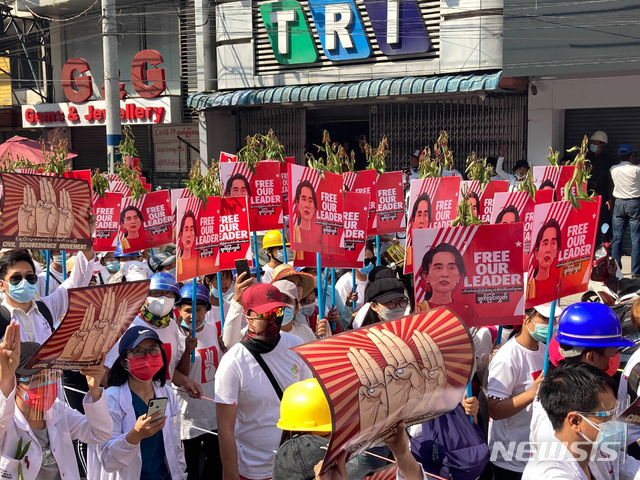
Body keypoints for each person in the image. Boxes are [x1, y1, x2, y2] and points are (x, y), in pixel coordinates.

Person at [529, 303, 638, 480]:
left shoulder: (593, 396)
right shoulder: (553, 416)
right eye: (611, 355)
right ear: (592, 357)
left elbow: (611, 458)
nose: (613, 362)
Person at [215, 283, 312, 480]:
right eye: (265, 313)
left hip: (296, 464)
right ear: (248, 315)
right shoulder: (232, 363)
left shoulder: (296, 346)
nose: (273, 318)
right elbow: (225, 429)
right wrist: (231, 476)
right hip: (254, 470)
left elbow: (308, 401)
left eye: (277, 311)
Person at [0, 324, 112, 480]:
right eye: (36, 380)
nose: (45, 386)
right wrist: (5, 378)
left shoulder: (59, 412)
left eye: (51, 377)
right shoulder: (7, 422)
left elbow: (101, 434)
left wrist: (94, 390)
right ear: (15, 383)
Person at [91, 326, 188, 480]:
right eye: (138, 351)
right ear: (124, 362)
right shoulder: (111, 400)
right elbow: (107, 460)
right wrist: (134, 437)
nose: (147, 356)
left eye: (153, 350)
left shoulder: (167, 394)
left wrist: (181, 475)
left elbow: (176, 446)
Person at [104, 272, 202, 398]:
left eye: (169, 294)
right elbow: (105, 371)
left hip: (165, 403)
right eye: (156, 293)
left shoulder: (172, 326)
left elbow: (169, 372)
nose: (163, 298)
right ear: (144, 297)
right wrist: (126, 400)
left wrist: (185, 381)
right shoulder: (127, 327)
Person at [522, 363, 620, 480]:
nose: (615, 419)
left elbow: (626, 466)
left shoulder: (591, 448)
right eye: (607, 414)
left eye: (615, 411)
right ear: (575, 421)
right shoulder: (551, 473)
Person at [487, 306, 552, 479]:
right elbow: (494, 409)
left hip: (535, 454)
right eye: (544, 318)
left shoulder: (544, 350)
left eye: (552, 318)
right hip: (510, 458)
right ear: (525, 318)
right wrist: (531, 394)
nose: (550, 323)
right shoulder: (507, 357)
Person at [175, 283, 223, 480]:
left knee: (215, 464)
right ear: (178, 310)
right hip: (189, 417)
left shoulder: (213, 330)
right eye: (188, 310)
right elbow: (178, 377)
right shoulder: (175, 335)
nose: (194, 315)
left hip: (213, 413)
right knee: (190, 468)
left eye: (199, 309)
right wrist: (187, 350)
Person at [0, 243, 96, 343]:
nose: (24, 282)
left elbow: (77, 281)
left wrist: (85, 237)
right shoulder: (2, 318)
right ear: (2, 284)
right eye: (16, 278)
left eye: (30, 277)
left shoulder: (46, 309)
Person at [415, 243, 475, 324]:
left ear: (459, 276)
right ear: (426, 276)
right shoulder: (419, 310)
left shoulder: (467, 310)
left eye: (451, 268)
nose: (445, 274)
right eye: (438, 268)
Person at [610, 144, 640, 277]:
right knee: (636, 237)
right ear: (632, 155)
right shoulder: (637, 169)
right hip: (634, 203)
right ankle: (635, 271)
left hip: (619, 203)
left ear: (619, 156)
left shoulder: (613, 169)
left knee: (616, 237)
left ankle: (617, 271)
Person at [587, 131, 616, 245]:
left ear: (602, 144)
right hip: (588, 195)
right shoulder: (587, 159)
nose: (593, 144)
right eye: (592, 142)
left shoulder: (608, 161)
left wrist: (610, 198)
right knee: (588, 221)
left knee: (604, 221)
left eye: (595, 142)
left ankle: (606, 244)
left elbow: (611, 182)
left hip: (602, 194)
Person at [526, 219, 561, 301]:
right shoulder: (528, 288)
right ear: (536, 252)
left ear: (557, 251)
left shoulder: (559, 284)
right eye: (545, 243)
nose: (548, 249)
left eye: (553, 243)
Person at [334, 244, 374, 312]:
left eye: (373, 260)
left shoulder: (372, 276)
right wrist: (364, 312)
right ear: (355, 261)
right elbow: (342, 316)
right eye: (366, 261)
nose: (370, 263)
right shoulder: (344, 283)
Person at [292, 180, 322, 255]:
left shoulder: (320, 237)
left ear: (315, 207)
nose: (307, 205)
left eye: (310, 201)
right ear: (297, 204)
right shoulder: (293, 234)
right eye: (304, 199)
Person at [177, 210, 198, 280]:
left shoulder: (199, 264)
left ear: (195, 235)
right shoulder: (176, 265)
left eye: (191, 229)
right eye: (186, 230)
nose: (189, 234)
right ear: (181, 235)